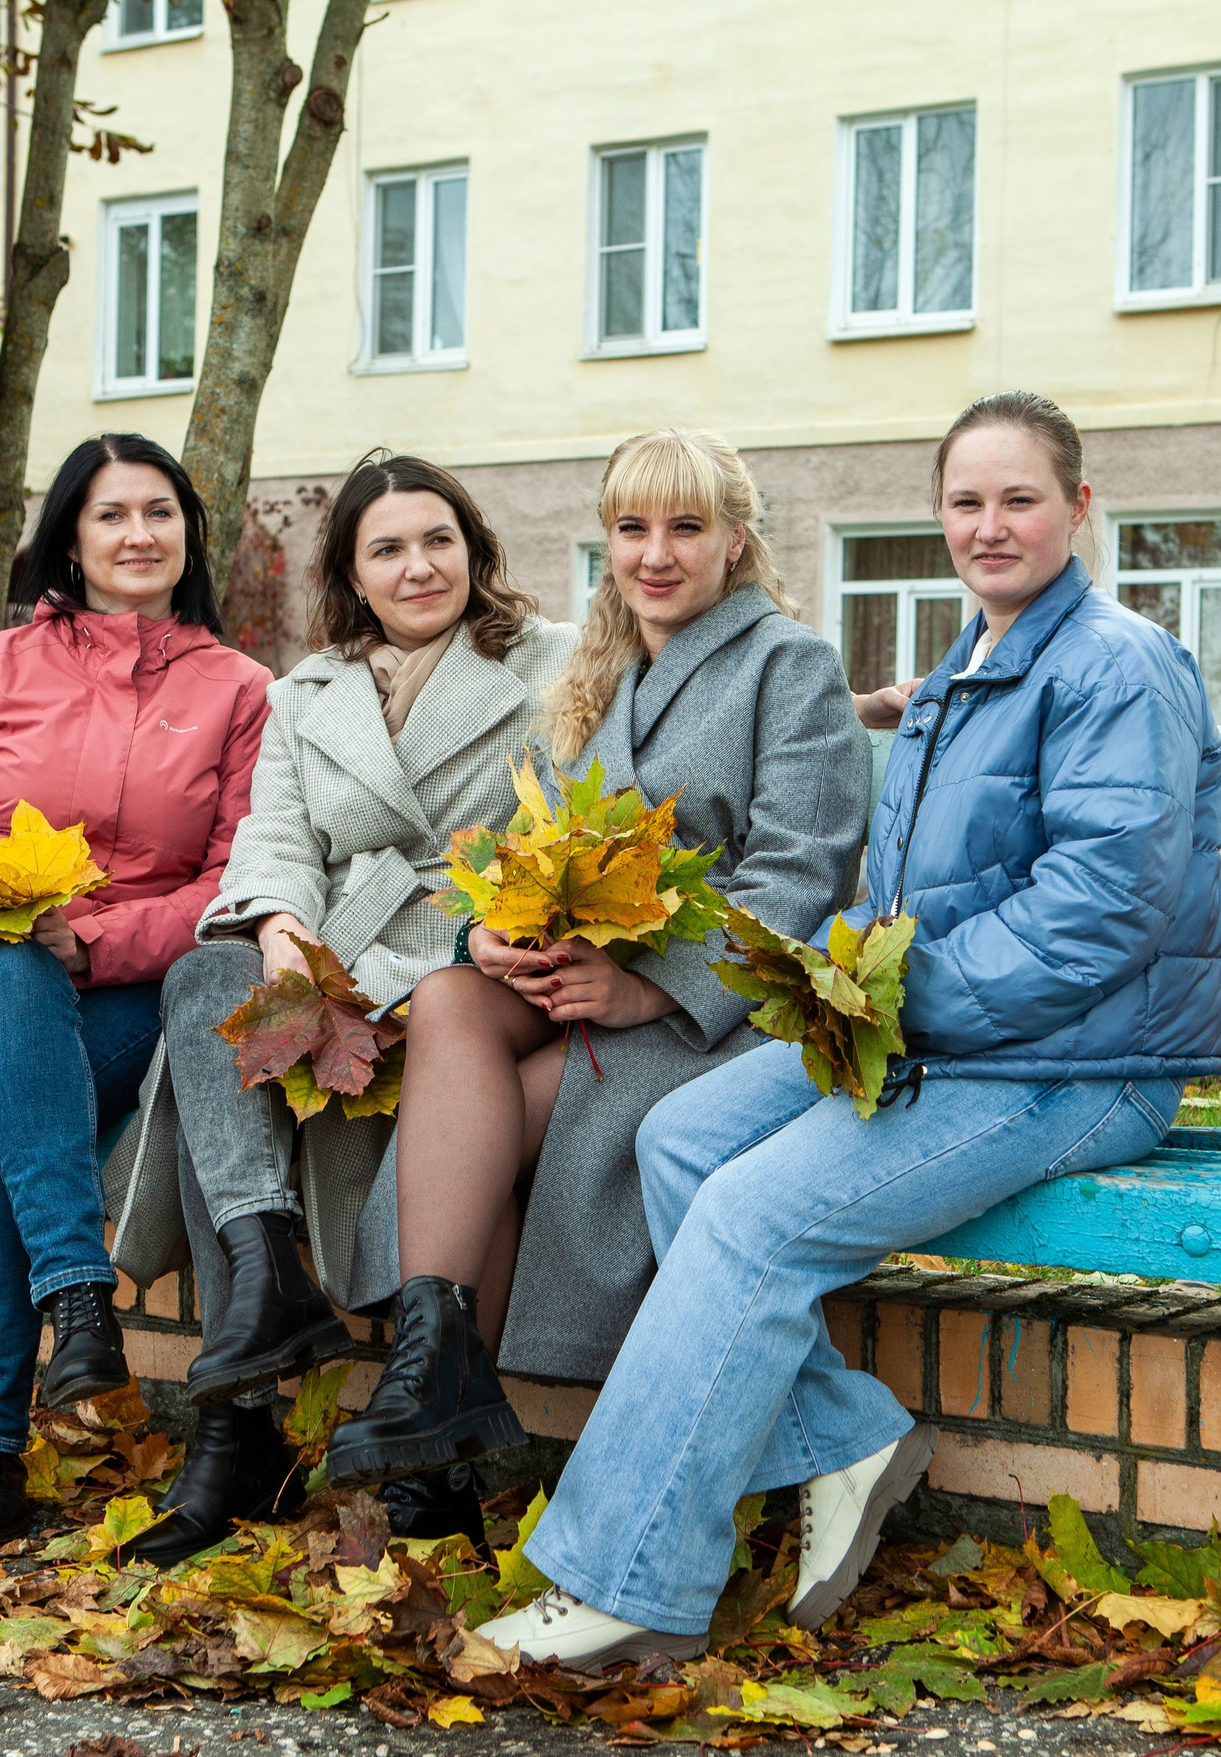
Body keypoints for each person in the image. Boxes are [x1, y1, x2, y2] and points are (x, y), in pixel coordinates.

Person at [479, 392, 1221, 1666]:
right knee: (677, 1138)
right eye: (964, 501)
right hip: (951, 1037)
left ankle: (627, 1581)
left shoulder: (1117, 662)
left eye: (1019, 498)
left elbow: (1100, 907)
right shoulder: (978, 660)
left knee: (750, 1214)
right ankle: (844, 1435)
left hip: (1083, 1062)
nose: (988, 525)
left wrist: (891, 996)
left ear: (1079, 508)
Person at [321, 428, 871, 1493]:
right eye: (631, 528)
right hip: (570, 978)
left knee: (489, 1119)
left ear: (736, 542)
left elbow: (798, 880)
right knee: (449, 997)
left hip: (717, 1008)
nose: (654, 553)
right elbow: (525, 845)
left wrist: (645, 984)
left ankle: (435, 1427)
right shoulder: (595, 672)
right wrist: (488, 926)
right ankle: (438, 1385)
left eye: (685, 527)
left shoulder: (786, 665)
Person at [122, 452, 577, 1566]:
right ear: (352, 574)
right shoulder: (305, 690)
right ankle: (267, 1273)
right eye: (387, 548)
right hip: (325, 952)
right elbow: (273, 836)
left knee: (217, 1065)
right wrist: (277, 919)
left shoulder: (556, 664)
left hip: (462, 970)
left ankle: (239, 1437)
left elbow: (581, 823)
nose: (417, 565)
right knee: (207, 985)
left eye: (437, 540)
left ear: (475, 549)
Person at [0, 433, 271, 1549]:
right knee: (8, 965)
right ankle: (75, 1289)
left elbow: (235, 878)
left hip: (119, 991)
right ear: (70, 538)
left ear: (190, 531)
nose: (138, 534)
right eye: (111, 515)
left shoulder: (240, 690)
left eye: (159, 511)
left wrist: (94, 941)